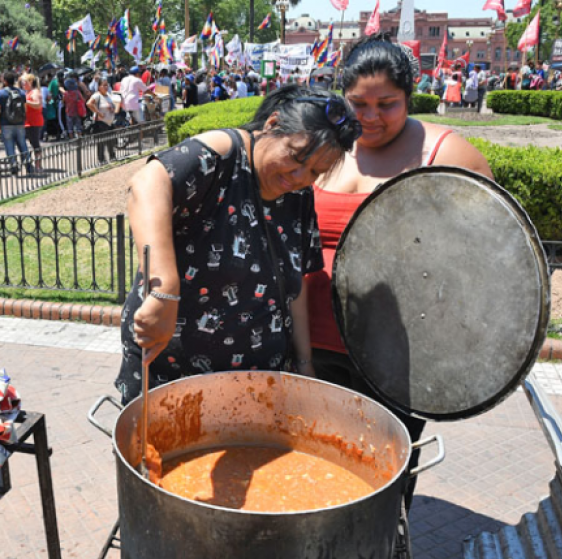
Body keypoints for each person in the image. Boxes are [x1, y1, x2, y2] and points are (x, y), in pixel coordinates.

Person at [307, 34, 492, 507]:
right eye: (357, 104)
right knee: (310, 468)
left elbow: (487, 256)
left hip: (396, 357)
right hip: (306, 347)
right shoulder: (326, 144)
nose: (369, 117)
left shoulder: (445, 152)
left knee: (380, 482)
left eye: (385, 104)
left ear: (410, 95)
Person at [114, 85, 360, 403]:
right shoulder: (222, 152)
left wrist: (304, 362)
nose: (300, 176)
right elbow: (146, 184)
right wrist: (165, 289)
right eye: (296, 157)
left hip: (256, 381)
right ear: (272, 124)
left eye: (316, 171)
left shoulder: (299, 194)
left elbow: (295, 286)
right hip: (174, 376)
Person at [0, 71, 33, 175]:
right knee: (23, 144)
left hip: (6, 124)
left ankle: (13, 165)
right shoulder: (21, 92)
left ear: (5, 81)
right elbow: (25, 108)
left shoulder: (1, 93)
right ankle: (28, 164)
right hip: (19, 123)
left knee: (9, 145)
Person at [87, 77, 119, 164]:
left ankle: (112, 157)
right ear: (99, 87)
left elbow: (113, 105)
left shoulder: (108, 95)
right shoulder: (97, 95)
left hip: (109, 122)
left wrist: (112, 109)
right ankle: (101, 160)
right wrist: (99, 113)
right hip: (101, 123)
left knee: (111, 141)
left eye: (107, 85)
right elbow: (89, 103)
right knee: (101, 143)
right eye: (104, 85)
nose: (106, 87)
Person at [22, 73, 44, 172]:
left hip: (34, 122)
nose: (23, 84)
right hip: (29, 121)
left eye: (24, 82)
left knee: (35, 144)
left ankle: (38, 165)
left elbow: (38, 105)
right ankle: (36, 165)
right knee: (33, 143)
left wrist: (26, 102)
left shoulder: (35, 92)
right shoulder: (29, 92)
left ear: (30, 82)